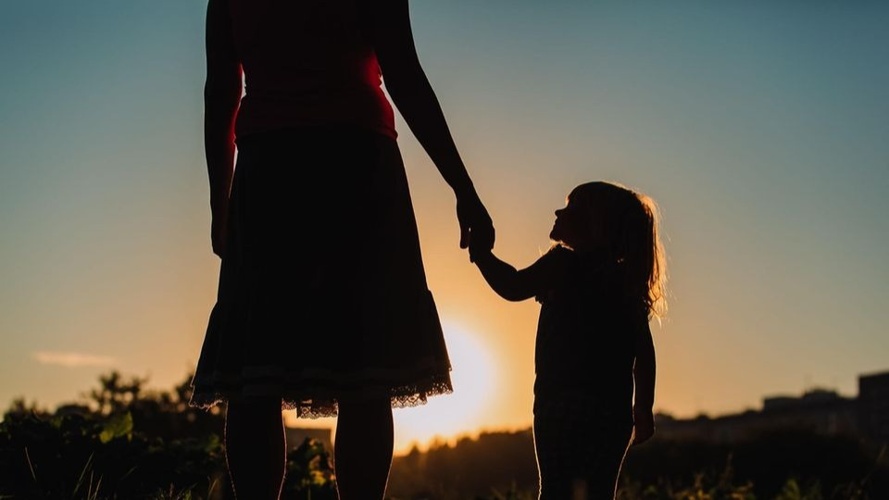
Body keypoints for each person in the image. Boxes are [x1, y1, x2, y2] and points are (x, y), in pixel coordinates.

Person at [187, 0, 494, 499]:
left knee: (256, 370)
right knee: (365, 368)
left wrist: (220, 202)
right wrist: (464, 189)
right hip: (355, 165)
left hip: (271, 173)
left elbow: (221, 90)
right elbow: (403, 72)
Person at [468, 180, 667, 500]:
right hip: (612, 413)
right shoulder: (623, 282)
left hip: (558, 404)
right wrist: (643, 406)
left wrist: (482, 255)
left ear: (595, 223)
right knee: (598, 494)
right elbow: (643, 352)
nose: (559, 211)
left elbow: (513, 286)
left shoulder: (561, 264)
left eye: (571, 207)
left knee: (556, 492)